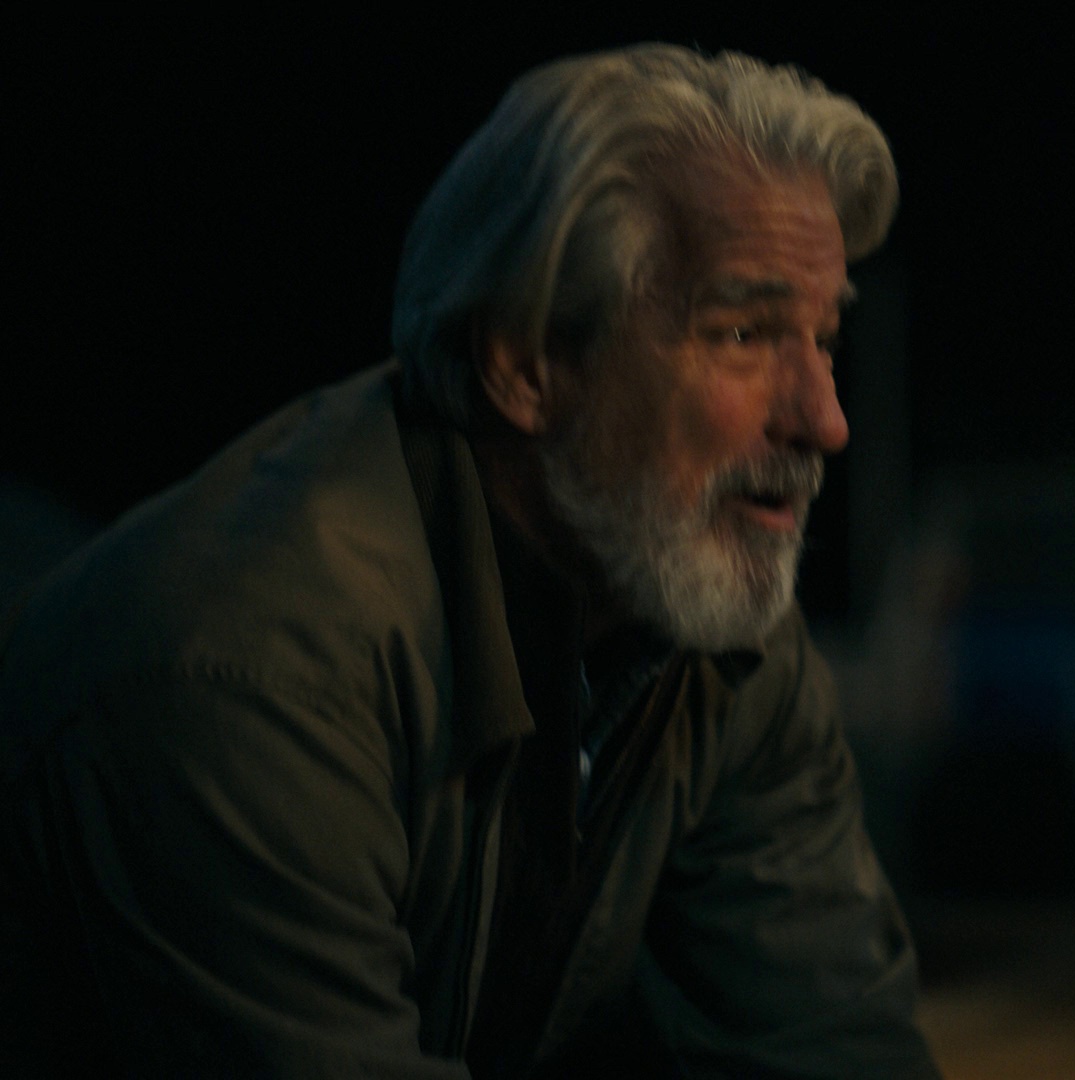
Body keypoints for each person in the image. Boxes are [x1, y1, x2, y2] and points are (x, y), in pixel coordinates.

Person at [0, 43, 939, 1078]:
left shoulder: (718, 629)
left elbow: (832, 1048)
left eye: (823, 339)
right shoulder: (251, 671)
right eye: (745, 335)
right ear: (525, 365)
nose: (825, 419)